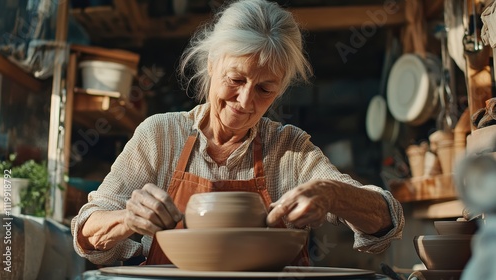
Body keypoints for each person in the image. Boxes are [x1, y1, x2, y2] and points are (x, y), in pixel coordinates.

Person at [71, 0, 404, 266]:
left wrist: (334, 194)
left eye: (265, 88)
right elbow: (86, 233)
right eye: (236, 79)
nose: (245, 102)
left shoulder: (289, 149)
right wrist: (128, 218)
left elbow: (386, 223)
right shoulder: (160, 136)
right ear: (213, 64)